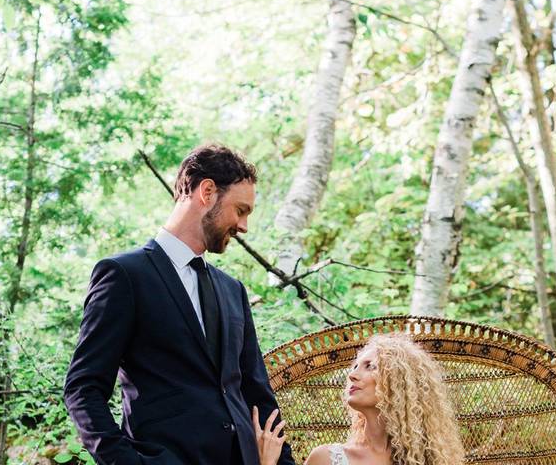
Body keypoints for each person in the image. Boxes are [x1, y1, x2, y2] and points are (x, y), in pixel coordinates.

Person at [64, 144, 294, 465]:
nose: (244, 226)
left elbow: (259, 397)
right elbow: (83, 388)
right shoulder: (125, 276)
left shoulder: (233, 290)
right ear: (208, 192)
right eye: (240, 210)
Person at [292, 334, 465, 465]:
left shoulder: (428, 459)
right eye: (355, 366)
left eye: (370, 366)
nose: (352, 375)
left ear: (399, 382)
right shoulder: (327, 459)